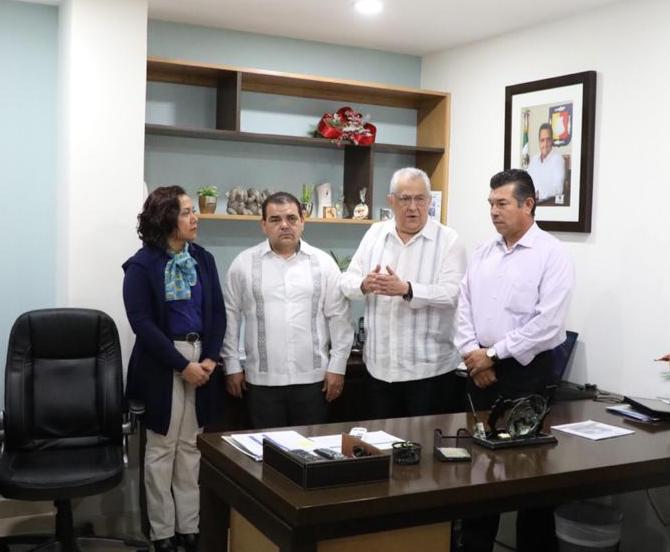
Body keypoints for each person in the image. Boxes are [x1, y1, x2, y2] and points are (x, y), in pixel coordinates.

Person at [455, 168, 574, 552]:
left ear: (528, 204)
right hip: (479, 369)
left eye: (502, 203)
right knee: (478, 471)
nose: (493, 211)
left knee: (530, 476)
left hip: (528, 372)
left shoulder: (552, 254)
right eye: (491, 203)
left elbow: (548, 324)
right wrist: (474, 354)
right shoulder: (483, 251)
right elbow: (463, 306)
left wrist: (493, 355)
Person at [123, 186, 226, 552]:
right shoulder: (141, 265)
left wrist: (210, 357)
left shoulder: (204, 259)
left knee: (191, 445)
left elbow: (217, 312)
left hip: (202, 357)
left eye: (193, 211)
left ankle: (189, 526)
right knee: (162, 447)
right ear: (166, 218)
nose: (195, 218)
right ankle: (162, 531)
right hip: (163, 360)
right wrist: (183, 365)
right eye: (186, 212)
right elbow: (141, 323)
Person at [340, 167, 467, 418]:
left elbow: (453, 294)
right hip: (379, 369)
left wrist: (407, 290)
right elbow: (346, 281)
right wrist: (364, 284)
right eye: (405, 199)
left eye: (420, 199)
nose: (413, 207)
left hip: (429, 372)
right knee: (381, 439)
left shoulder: (449, 240)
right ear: (391, 201)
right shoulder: (375, 233)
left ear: (429, 202)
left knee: (424, 440)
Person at [222, 192, 353, 428]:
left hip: (314, 380)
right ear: (263, 225)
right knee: (265, 447)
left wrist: (338, 366)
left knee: (311, 447)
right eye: (275, 219)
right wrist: (231, 365)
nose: (284, 225)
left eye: (291, 218)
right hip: (261, 381)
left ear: (303, 221)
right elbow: (230, 317)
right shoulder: (243, 264)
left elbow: (339, 318)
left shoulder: (323, 263)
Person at [527, 122, 565, 203]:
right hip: (530, 202)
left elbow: (558, 189)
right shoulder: (534, 160)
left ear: (552, 141)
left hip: (547, 203)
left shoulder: (558, 159)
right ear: (539, 142)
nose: (545, 144)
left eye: (548, 140)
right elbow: (526, 181)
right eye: (542, 140)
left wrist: (538, 194)